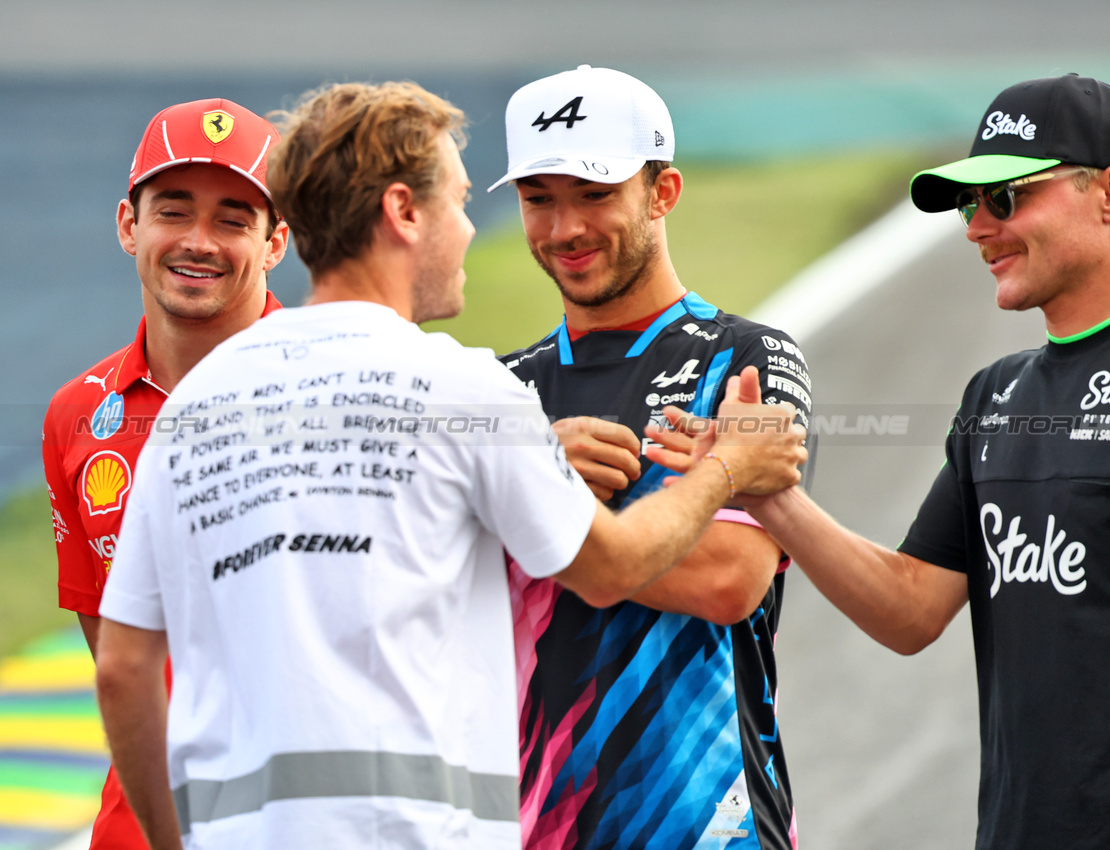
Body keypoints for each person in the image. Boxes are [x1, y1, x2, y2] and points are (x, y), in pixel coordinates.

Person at [89, 80, 807, 850]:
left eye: (592, 193)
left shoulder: (196, 401)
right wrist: (721, 469)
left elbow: (123, 667)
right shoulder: (472, 390)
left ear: (662, 191)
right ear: (403, 212)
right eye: (484, 200)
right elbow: (605, 567)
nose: (476, 228)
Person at [670, 73, 1110, 849]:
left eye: (1003, 198)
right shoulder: (995, 394)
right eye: (967, 204)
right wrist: (770, 498)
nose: (975, 228)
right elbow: (910, 607)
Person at [489, 65, 813, 849]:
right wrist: (532, 475)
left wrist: (518, 505)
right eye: (539, 199)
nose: (564, 228)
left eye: (595, 194)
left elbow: (727, 578)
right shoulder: (498, 390)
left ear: (662, 192)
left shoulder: (744, 358)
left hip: (709, 826)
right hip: (530, 826)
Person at [41, 97, 289, 850]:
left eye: (233, 220)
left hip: (308, 813)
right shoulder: (74, 417)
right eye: (173, 211)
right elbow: (113, 656)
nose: (198, 242)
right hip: (145, 823)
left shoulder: (337, 390)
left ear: (276, 243)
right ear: (128, 225)